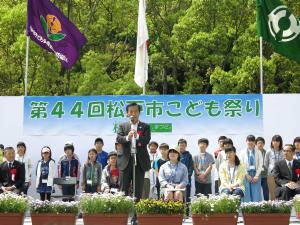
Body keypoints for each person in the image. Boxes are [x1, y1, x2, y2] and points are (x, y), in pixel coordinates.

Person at [116, 102, 151, 201]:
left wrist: (138, 136)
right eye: (131, 111)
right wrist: (128, 137)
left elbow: (146, 140)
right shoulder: (123, 126)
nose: (133, 113)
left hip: (139, 161)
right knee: (123, 189)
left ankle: (136, 215)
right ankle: (123, 214)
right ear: (127, 113)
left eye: (136, 111)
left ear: (139, 113)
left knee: (138, 189)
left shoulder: (145, 126)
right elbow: (119, 138)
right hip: (125, 160)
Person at [240, 135, 263, 202]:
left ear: (254, 142)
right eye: (249, 140)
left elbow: (260, 164)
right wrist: (246, 175)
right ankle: (247, 209)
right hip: (246, 175)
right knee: (247, 192)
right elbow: (241, 165)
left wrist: (256, 176)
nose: (250, 142)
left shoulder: (258, 151)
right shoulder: (242, 152)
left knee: (256, 193)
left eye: (252, 141)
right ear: (246, 141)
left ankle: (256, 209)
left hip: (256, 175)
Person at [264, 135, 284, 200]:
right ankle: (272, 208)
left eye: (277, 141)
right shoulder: (268, 151)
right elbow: (265, 163)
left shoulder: (284, 151)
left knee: (282, 191)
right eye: (274, 141)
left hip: (281, 175)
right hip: (271, 175)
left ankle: (282, 207)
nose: (275, 142)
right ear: (272, 142)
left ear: (280, 142)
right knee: (272, 192)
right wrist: (271, 169)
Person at [178, 138, 193, 203]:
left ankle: (187, 212)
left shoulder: (189, 155)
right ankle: (179, 212)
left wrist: (187, 176)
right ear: (178, 146)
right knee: (178, 196)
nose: (181, 147)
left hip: (187, 180)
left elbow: (191, 167)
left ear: (186, 146)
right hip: (177, 180)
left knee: (187, 196)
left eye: (183, 145)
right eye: (180, 145)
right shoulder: (176, 155)